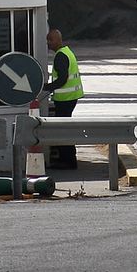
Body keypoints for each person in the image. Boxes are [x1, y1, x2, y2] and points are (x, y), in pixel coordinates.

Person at [42, 28, 84, 169]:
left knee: (62, 130)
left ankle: (68, 161)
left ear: (58, 40)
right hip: (70, 98)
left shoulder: (60, 56)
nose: (48, 43)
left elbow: (62, 79)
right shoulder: (67, 52)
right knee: (64, 129)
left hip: (65, 99)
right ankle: (67, 159)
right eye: (47, 40)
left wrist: (46, 87)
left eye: (50, 40)